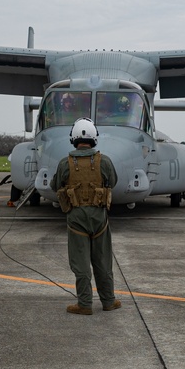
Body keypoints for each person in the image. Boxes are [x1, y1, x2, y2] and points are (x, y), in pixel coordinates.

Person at [53, 118, 120, 315]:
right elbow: (113, 181)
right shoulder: (104, 161)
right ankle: (108, 301)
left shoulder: (65, 163)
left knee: (80, 262)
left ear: (73, 139)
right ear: (94, 139)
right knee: (103, 260)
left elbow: (55, 185)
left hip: (76, 218)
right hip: (99, 217)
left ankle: (84, 303)